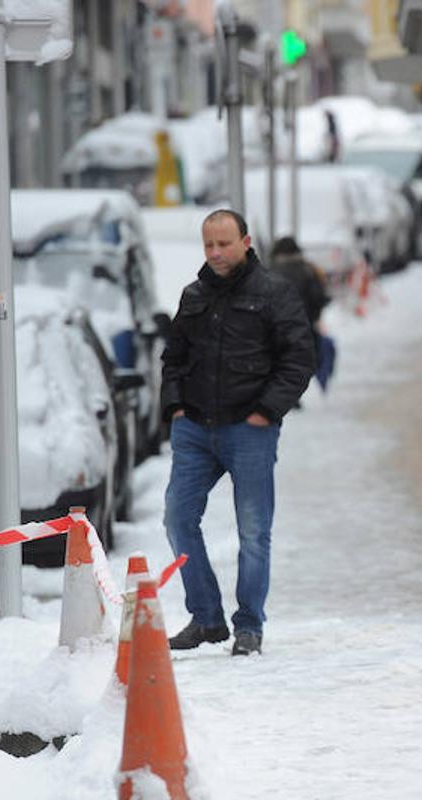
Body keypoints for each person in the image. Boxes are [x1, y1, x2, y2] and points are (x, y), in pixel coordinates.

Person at [160, 209, 316, 656]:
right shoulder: (194, 296)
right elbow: (173, 358)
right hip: (194, 429)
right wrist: (174, 406)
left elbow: (298, 358)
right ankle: (206, 618)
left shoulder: (274, 293)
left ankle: (249, 625)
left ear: (246, 242)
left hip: (249, 429)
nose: (215, 253)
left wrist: (267, 411)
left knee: (253, 530)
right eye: (208, 245)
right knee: (177, 518)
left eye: (224, 243)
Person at [269, 235, 332, 387]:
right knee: (301, 362)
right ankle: (295, 390)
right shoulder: (308, 270)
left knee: (280, 361)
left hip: (277, 326)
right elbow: (319, 297)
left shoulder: (270, 271)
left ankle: (286, 392)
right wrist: (315, 316)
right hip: (305, 325)